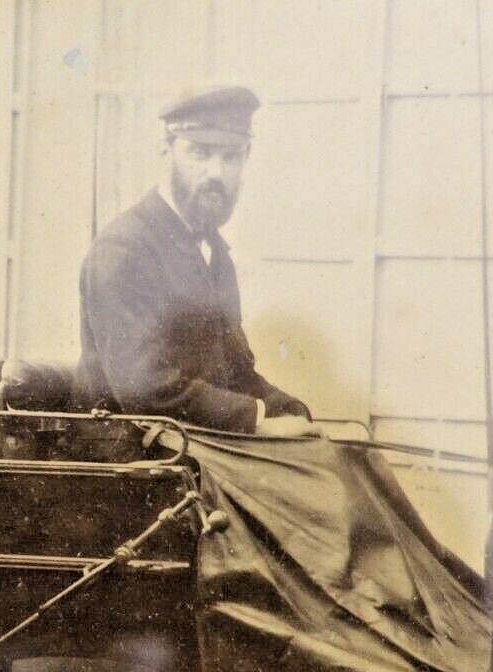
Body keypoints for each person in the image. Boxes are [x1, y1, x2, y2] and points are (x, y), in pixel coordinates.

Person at [75, 85, 315, 436]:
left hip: (194, 442)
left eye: (231, 156)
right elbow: (145, 389)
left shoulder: (216, 255)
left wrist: (288, 409)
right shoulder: (124, 249)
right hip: (131, 457)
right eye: (200, 153)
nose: (216, 172)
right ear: (166, 148)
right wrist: (258, 419)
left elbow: (235, 372)